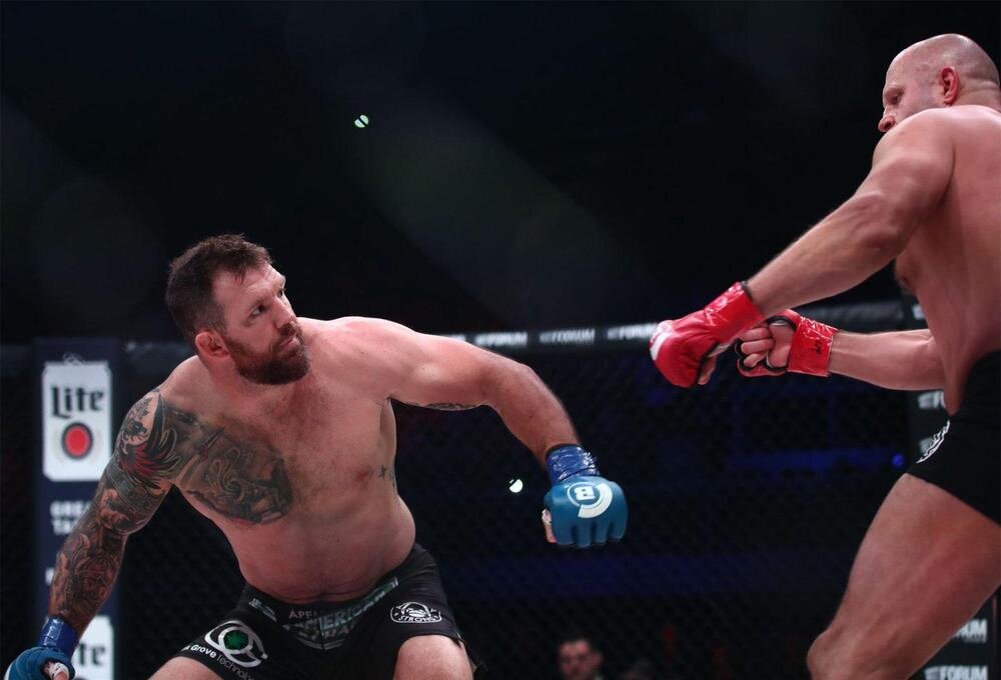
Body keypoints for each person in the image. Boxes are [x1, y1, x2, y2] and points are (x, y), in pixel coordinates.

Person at [7, 234, 627, 680]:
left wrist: (570, 467)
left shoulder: (354, 353)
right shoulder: (170, 423)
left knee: (439, 670)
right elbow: (106, 526)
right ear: (213, 344)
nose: (287, 318)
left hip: (393, 594)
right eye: (259, 311)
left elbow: (497, 376)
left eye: (279, 293)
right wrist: (56, 641)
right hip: (269, 620)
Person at [649, 34, 1000, 679]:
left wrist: (722, 317)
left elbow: (874, 222)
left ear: (947, 84)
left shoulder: (944, 129)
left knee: (849, 662)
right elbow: (944, 355)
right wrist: (820, 348)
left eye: (895, 97)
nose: (885, 119)